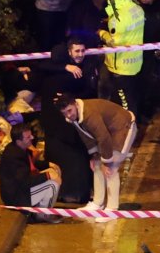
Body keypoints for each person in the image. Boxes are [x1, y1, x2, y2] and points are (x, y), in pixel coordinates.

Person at [35, 37, 101, 203]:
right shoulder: (62, 70)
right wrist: (66, 67)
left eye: (82, 51)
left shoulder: (82, 69)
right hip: (60, 127)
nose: (80, 55)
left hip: (64, 126)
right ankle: (75, 193)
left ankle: (74, 192)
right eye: (76, 51)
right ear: (69, 52)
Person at [56, 94, 137, 223]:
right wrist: (94, 155)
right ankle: (98, 203)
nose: (68, 115)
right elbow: (86, 136)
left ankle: (112, 208)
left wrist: (107, 161)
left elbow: (103, 137)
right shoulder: (75, 117)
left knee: (112, 166)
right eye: (64, 113)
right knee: (97, 165)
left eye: (69, 111)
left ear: (75, 104)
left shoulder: (89, 114)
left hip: (123, 127)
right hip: (108, 131)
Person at [97, 0, 146, 117]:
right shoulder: (136, 8)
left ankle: (128, 128)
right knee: (132, 98)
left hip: (120, 65)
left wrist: (102, 33)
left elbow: (114, 42)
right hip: (134, 62)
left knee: (124, 103)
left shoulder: (119, 18)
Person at [0, 123, 63, 223]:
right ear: (19, 141)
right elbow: (25, 181)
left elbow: (31, 163)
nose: (32, 138)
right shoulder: (14, 155)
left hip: (21, 188)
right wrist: (48, 175)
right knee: (53, 185)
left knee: (53, 172)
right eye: (28, 137)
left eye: (31, 135)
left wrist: (49, 165)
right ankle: (42, 215)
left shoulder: (19, 148)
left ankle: (40, 208)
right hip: (16, 196)